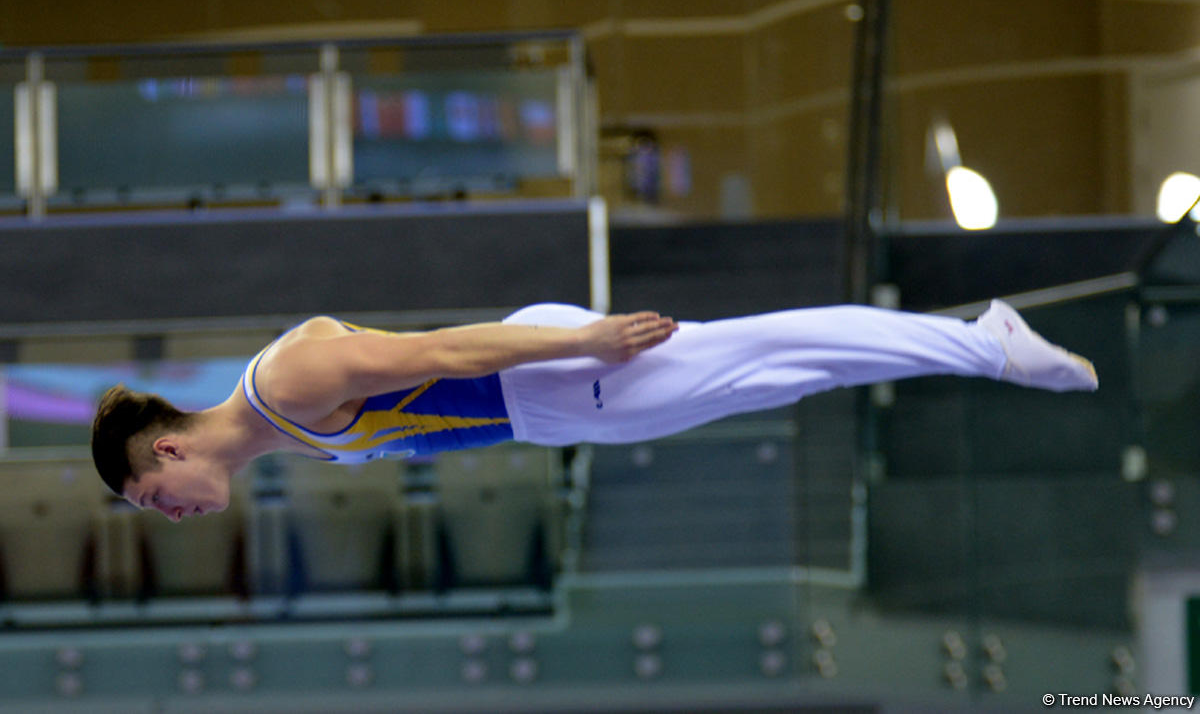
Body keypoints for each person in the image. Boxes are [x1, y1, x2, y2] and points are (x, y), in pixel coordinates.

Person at [91, 299, 1097, 522]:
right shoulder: (274, 432)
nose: (167, 511)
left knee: (769, 350)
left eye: (151, 493)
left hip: (556, 375)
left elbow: (442, 351)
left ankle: (984, 342)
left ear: (169, 446)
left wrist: (583, 341)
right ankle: (972, 346)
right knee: (786, 376)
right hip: (554, 410)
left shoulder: (285, 387)